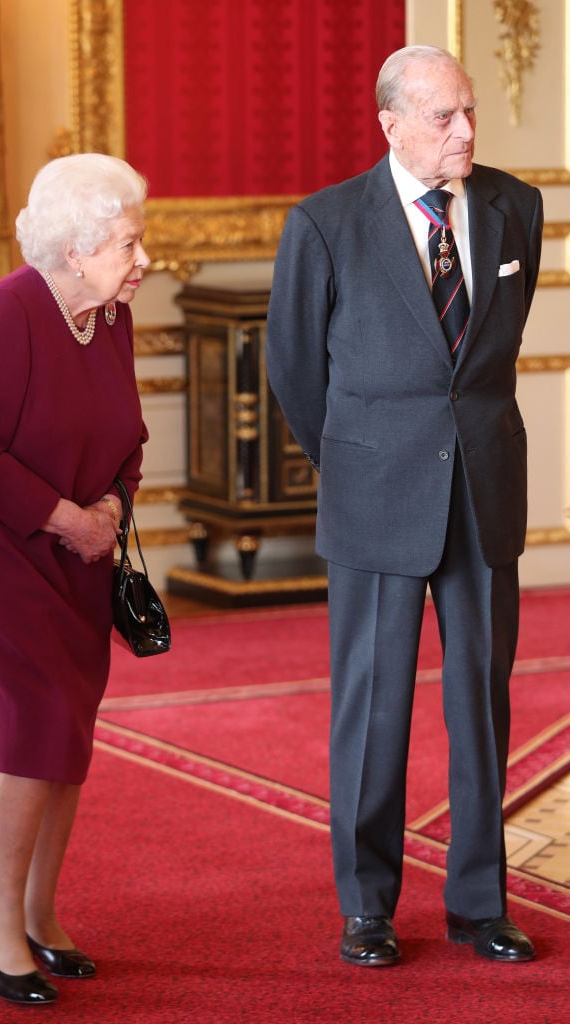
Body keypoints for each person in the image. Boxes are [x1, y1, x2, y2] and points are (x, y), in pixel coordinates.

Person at [265, 45, 543, 967]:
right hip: (375, 495)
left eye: (468, 113)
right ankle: (367, 909)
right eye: (442, 117)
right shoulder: (325, 224)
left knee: (481, 706)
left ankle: (477, 907)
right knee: (373, 711)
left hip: (484, 491)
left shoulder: (516, 207)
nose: (464, 131)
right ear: (390, 124)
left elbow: (485, 360)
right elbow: (297, 374)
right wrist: (357, 459)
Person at [0, 153, 151, 1004]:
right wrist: (70, 519)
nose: (143, 261)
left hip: (80, 545)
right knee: (36, 733)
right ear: (74, 250)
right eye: (128, 244)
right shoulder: (4, 315)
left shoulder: (111, 317)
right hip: (2, 550)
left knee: (71, 731)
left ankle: (38, 912)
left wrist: (105, 504)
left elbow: (126, 433)